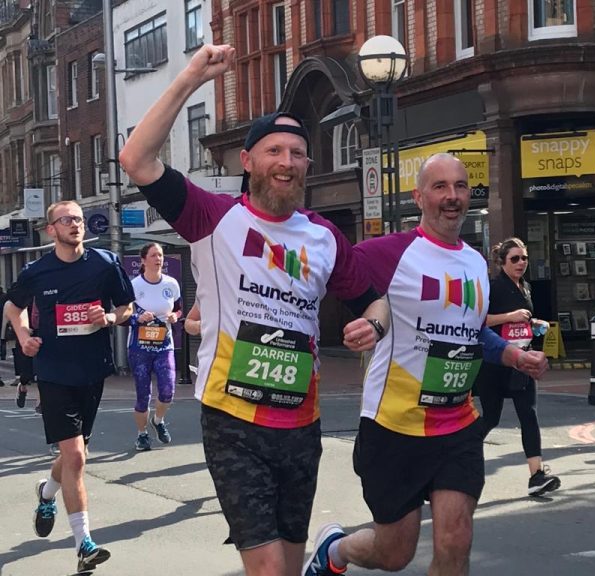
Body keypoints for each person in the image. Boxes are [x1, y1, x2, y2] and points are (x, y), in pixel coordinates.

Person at [119, 43, 388, 576]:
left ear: (307, 163)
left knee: (285, 567)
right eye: (273, 151)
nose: (285, 162)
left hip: (302, 421)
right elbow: (137, 160)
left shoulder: (325, 237)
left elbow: (373, 300)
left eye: (296, 152)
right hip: (234, 418)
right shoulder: (212, 218)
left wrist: (373, 325)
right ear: (248, 161)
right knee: (266, 570)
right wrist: (191, 77)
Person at [303, 153, 549, 576]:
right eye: (440, 187)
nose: (451, 196)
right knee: (394, 553)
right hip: (394, 425)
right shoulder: (391, 252)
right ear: (419, 196)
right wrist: (365, 320)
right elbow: (332, 269)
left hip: (456, 422)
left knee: (456, 540)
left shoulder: (475, 262)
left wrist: (514, 356)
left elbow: (471, 333)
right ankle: (335, 552)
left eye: (459, 186)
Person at [5, 200, 134, 573]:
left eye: (78, 219)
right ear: (51, 230)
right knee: (76, 456)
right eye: (66, 220)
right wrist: (24, 336)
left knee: (78, 454)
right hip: (54, 370)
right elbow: (13, 308)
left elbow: (126, 308)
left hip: (92, 370)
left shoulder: (105, 263)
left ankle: (46, 492)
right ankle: (84, 545)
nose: (74, 224)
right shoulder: (36, 270)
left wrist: (109, 316)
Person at [474, 237, 560, 496]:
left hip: (522, 361)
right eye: (515, 259)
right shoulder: (493, 287)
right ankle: (456, 455)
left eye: (524, 258)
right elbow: (477, 321)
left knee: (528, 415)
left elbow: (521, 320)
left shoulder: (526, 287)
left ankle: (537, 476)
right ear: (502, 262)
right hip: (495, 362)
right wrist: (509, 317)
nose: (521, 263)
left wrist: (533, 324)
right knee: (491, 416)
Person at [127, 242, 182, 451]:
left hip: (164, 345)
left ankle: (158, 421)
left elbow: (178, 310)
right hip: (139, 347)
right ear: (143, 260)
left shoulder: (171, 284)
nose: (158, 259)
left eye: (160, 255)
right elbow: (123, 315)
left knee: (168, 390)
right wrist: (138, 317)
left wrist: (174, 317)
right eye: (153, 255)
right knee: (143, 395)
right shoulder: (134, 286)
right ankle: (141, 435)